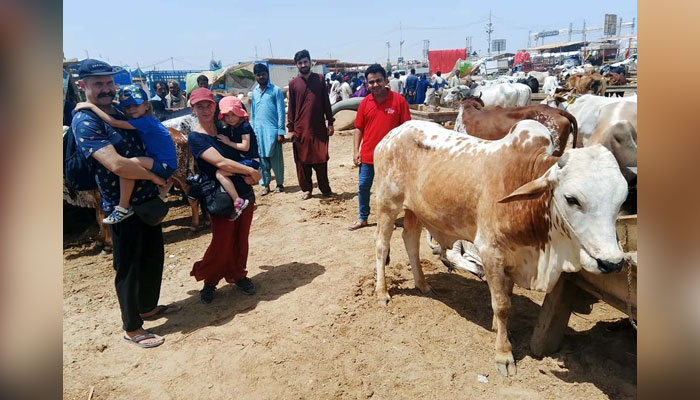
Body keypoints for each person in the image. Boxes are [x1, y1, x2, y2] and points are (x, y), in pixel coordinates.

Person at [72, 59, 179, 348]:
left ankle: (147, 307)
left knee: (152, 258)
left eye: (108, 83)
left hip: (147, 202)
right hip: (123, 207)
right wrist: (157, 178)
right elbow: (117, 165)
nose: (105, 89)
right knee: (129, 267)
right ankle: (132, 327)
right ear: (83, 86)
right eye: (98, 84)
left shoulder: (120, 110)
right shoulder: (86, 121)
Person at [187, 88, 262, 303]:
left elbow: (248, 150)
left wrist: (254, 172)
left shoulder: (227, 128)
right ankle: (210, 279)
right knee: (222, 241)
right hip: (220, 194)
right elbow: (220, 163)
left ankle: (239, 275)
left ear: (215, 106)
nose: (205, 109)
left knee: (241, 238)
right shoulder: (196, 137)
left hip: (243, 190)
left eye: (208, 104)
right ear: (192, 109)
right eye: (199, 106)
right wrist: (251, 172)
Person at [75, 85, 178, 224]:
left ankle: (122, 207)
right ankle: (159, 191)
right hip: (164, 162)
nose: (131, 108)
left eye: (135, 104)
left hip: (163, 164)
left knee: (127, 166)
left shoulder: (146, 122)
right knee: (129, 166)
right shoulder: (148, 120)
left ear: (146, 106)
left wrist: (92, 107)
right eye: (127, 106)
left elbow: (114, 122)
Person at [348, 64, 411, 230]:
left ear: (386, 80)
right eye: (371, 82)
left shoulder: (399, 101)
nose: (375, 85)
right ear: (367, 84)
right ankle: (363, 218)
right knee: (363, 186)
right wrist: (356, 151)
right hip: (368, 155)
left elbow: (407, 129)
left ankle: (390, 219)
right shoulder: (364, 104)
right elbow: (358, 128)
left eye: (378, 81)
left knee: (391, 190)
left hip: (391, 157)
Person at [285, 49, 335, 200]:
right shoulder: (293, 84)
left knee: (321, 158)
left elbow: (326, 103)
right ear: (296, 65)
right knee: (302, 161)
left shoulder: (319, 79)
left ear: (310, 62)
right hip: (300, 129)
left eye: (305, 61)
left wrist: (330, 122)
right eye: (300, 63)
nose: (303, 64)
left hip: (318, 127)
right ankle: (307, 189)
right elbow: (291, 108)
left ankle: (325, 189)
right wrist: (291, 128)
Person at [215, 96, 261, 220]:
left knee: (220, 173)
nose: (230, 119)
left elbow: (245, 147)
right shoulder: (233, 127)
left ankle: (237, 201)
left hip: (251, 161)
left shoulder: (244, 126)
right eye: (227, 116)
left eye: (233, 115)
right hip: (244, 161)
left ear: (240, 114)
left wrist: (227, 141)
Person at [250, 63, 286, 195]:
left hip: (273, 132)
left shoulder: (276, 90)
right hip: (258, 132)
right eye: (258, 75)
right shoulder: (254, 93)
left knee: (276, 159)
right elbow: (253, 113)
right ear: (256, 77)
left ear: (267, 74)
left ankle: (280, 184)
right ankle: (265, 185)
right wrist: (252, 131)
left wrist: (280, 131)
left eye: (263, 74)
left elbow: (281, 112)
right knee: (262, 160)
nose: (261, 77)